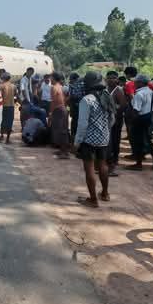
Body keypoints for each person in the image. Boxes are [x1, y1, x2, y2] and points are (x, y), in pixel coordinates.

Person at [74, 72, 116, 208]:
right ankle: (105, 193)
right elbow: (112, 119)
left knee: (90, 168)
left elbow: (82, 124)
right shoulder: (107, 96)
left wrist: (76, 142)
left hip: (89, 140)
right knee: (103, 165)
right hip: (104, 138)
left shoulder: (87, 100)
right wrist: (104, 131)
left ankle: (93, 200)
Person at [125, 74, 153, 171]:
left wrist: (132, 120)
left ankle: (139, 163)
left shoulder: (139, 94)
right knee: (148, 139)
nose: (134, 83)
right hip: (149, 116)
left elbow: (136, 110)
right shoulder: (151, 92)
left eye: (136, 82)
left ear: (140, 83)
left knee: (137, 141)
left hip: (140, 118)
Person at [106, 71, 127, 176]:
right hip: (108, 119)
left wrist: (113, 110)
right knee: (108, 140)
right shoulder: (106, 89)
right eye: (109, 78)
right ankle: (109, 159)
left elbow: (123, 105)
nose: (111, 80)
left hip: (116, 119)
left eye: (113, 78)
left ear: (117, 79)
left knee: (115, 139)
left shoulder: (118, 90)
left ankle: (114, 159)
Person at [49, 73, 70, 159]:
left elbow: (53, 101)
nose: (50, 80)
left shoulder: (54, 87)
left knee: (61, 131)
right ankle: (62, 150)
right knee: (62, 131)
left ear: (54, 78)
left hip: (58, 110)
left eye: (51, 78)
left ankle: (64, 152)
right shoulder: (61, 87)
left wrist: (50, 113)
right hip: (62, 109)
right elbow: (65, 98)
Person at [0, 73, 16, 143]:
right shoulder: (13, 86)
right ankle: (8, 139)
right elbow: (15, 95)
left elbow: (0, 96)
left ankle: (1, 135)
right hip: (11, 106)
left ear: (3, 78)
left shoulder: (1, 86)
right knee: (10, 122)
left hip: (4, 105)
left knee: (2, 121)